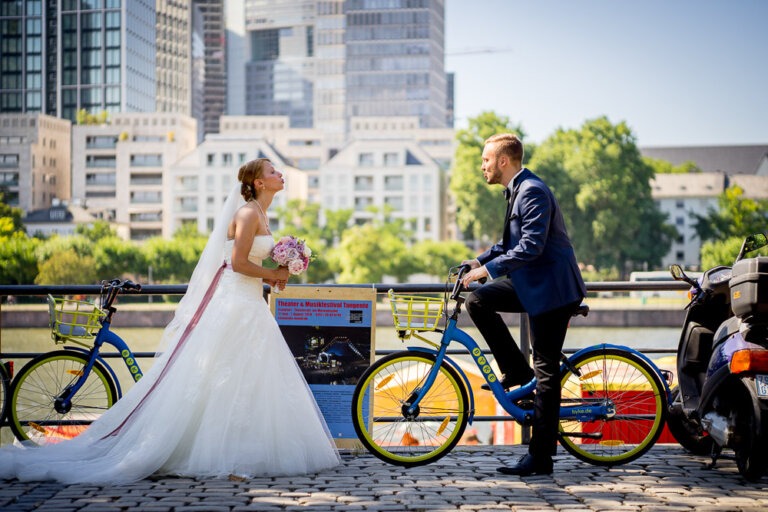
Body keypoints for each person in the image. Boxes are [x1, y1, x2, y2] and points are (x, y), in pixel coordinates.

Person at [0, 159, 341, 483]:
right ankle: (223, 454)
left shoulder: (262, 215)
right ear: (259, 182)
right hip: (236, 301)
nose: (280, 174)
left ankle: (244, 451)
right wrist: (272, 273)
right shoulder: (248, 213)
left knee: (248, 375)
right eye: (273, 170)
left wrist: (280, 271)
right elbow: (237, 262)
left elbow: (247, 262)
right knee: (229, 373)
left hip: (249, 300)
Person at [460, 133, 586, 476]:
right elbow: (507, 244)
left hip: (552, 292)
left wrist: (489, 270)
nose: (482, 166)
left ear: (503, 161)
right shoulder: (517, 190)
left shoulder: (532, 191)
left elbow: (530, 246)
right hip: (534, 286)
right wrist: (478, 262)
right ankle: (516, 371)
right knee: (479, 301)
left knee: (546, 374)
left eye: (486, 160)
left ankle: (540, 458)